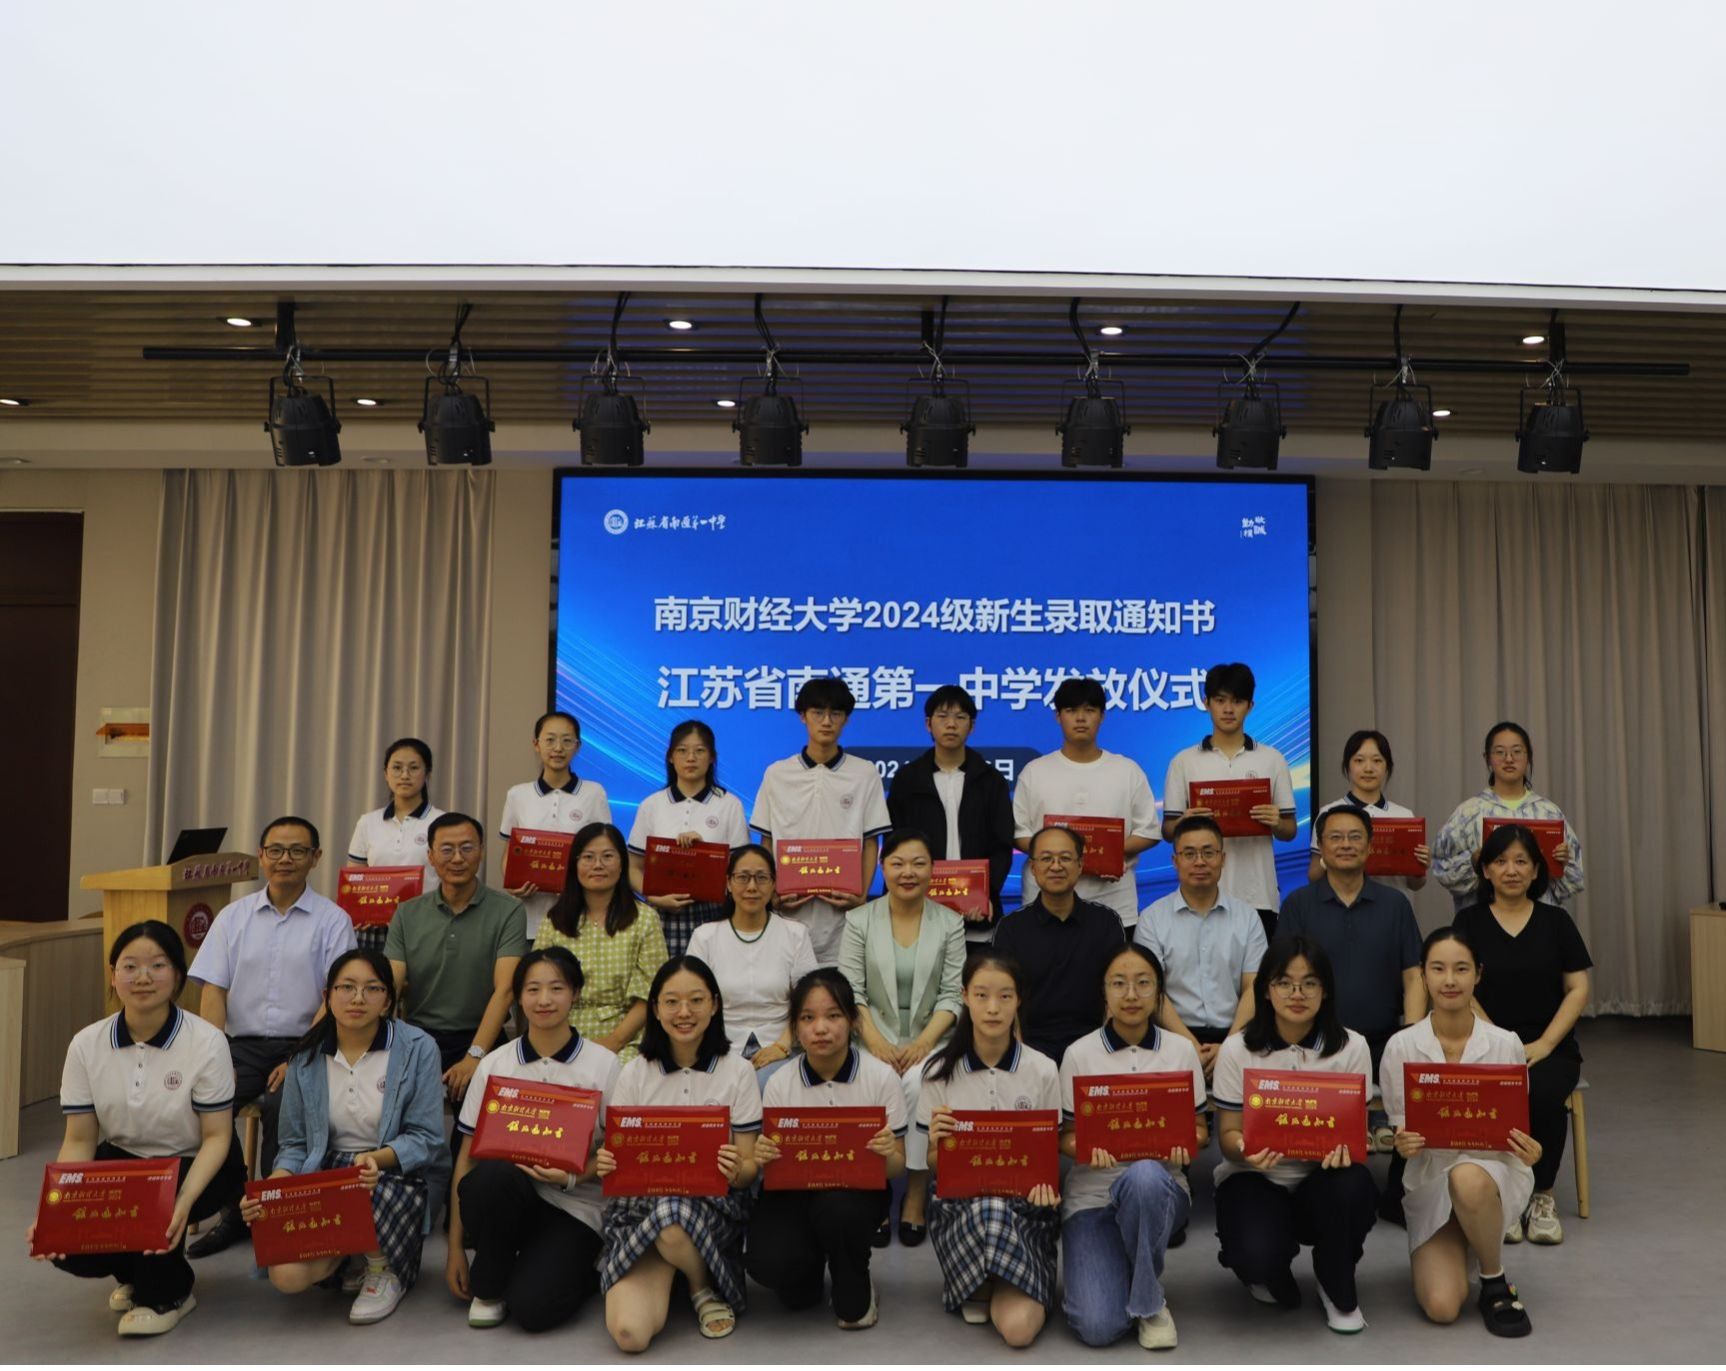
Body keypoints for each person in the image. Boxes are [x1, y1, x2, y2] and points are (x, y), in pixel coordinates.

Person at [30, 922, 241, 1336]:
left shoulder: (206, 1041)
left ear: (178, 975)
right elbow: (79, 1139)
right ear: (113, 975)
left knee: (158, 1211)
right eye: (130, 967)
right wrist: (55, 1209)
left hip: (197, 1162)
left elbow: (217, 1137)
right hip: (126, 1161)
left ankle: (169, 1294)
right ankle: (135, 1273)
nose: (143, 977)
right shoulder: (86, 1044)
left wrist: (183, 1200)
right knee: (66, 1243)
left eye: (157, 966)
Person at [242, 949, 448, 1325]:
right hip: (328, 1172)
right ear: (327, 996)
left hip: (396, 1171)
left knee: (361, 1188)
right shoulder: (305, 1058)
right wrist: (274, 1188)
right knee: (287, 1276)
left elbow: (428, 1138)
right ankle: (355, 1255)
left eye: (372, 989)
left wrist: (376, 1159)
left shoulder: (418, 1048)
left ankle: (382, 1269)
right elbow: (294, 1145)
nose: (358, 998)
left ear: (388, 1000)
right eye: (347, 987)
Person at [186, 815, 357, 1258]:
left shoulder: (333, 920)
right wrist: (214, 1055)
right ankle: (235, 1207)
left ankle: (277, 1213)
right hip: (238, 1047)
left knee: (285, 1107)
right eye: (276, 850)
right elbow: (213, 990)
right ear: (261, 856)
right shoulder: (233, 917)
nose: (286, 859)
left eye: (298, 851)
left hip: (306, 1045)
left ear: (315, 858)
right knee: (205, 1105)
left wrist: (299, 1057)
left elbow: (336, 997)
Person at [1210, 937, 1379, 1333]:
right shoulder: (1237, 1049)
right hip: (1255, 1176)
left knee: (1354, 1184)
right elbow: (1228, 1136)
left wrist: (1349, 1149)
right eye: (1284, 982)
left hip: (1322, 1177)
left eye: (1310, 983)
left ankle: (1334, 1276)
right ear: (1266, 991)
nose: (1297, 994)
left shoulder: (1352, 1046)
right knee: (1256, 1255)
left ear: (1326, 990)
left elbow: (1357, 1135)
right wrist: (1245, 1150)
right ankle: (1267, 1269)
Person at [447, 947, 620, 1333]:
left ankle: (578, 1265)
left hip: (576, 1206)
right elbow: (467, 1159)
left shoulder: (604, 1065)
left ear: (575, 993)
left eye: (556, 988)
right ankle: (490, 1285)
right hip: (510, 1197)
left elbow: (617, 1152)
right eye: (533, 989)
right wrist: (455, 1248)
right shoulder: (495, 1064)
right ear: (519, 998)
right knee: (491, 1177)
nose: (544, 1000)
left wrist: (572, 1176)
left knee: (534, 1310)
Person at [1381, 926, 1543, 1337]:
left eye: (1461, 969)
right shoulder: (1401, 1046)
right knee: (1442, 1307)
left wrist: (1530, 1151)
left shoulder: (1505, 1043)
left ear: (1478, 975)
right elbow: (1403, 1130)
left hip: (1490, 1175)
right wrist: (1403, 1143)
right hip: (1431, 1179)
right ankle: (1465, 1238)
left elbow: (1514, 1127)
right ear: (1423, 975)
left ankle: (1493, 1278)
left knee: (1468, 1176)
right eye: (1438, 969)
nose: (1449, 980)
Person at [595, 956, 762, 1350]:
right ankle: (686, 1271)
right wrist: (607, 1163)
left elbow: (749, 1171)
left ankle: (700, 1286)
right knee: (630, 1335)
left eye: (696, 1000)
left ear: (715, 1005)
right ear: (655, 1009)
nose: (684, 1012)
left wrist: (737, 1169)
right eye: (671, 1002)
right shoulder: (635, 1072)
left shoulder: (737, 1071)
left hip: (712, 1206)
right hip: (641, 1209)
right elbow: (619, 1158)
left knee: (673, 1223)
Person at [1058, 944, 1207, 1351]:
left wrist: (1184, 1143)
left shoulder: (1180, 1051)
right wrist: (1085, 1147)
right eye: (1119, 984)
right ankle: (1127, 1266)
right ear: (1103, 992)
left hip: (1160, 1189)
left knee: (1144, 1175)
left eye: (1143, 983)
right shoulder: (1079, 1054)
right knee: (1098, 1328)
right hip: (1093, 1195)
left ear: (1159, 993)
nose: (1131, 995)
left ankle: (1149, 1302)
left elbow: (1200, 1131)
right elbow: (1065, 1137)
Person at [1453, 824, 1592, 1245]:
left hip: (1548, 1043)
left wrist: (1546, 1044)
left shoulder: (1556, 921)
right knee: (1491, 1093)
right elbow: (1459, 986)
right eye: (1500, 861)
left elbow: (1578, 987)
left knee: (1543, 1091)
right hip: (1483, 1040)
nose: (1511, 870)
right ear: (1486, 870)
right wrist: (1498, 1040)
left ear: (1536, 870)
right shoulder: (1468, 922)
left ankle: (1541, 1194)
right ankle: (1504, 1193)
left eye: (1521, 861)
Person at [750, 969, 910, 1329]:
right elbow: (773, 1168)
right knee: (778, 1274)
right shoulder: (779, 1083)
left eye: (833, 1016)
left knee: (851, 1306)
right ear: (795, 1027)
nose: (820, 1029)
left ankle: (851, 1270)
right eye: (808, 1018)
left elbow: (897, 1166)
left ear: (853, 1021)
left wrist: (888, 1152)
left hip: (854, 1197)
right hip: (794, 1195)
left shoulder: (880, 1077)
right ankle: (812, 1263)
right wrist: (763, 1157)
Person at [917, 951, 1062, 1348]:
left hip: (1025, 1209)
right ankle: (983, 1277)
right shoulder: (937, 1071)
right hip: (961, 1208)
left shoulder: (1043, 1069)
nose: (993, 1008)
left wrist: (1046, 1188)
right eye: (981, 995)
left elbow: (1047, 1155)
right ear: (965, 996)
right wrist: (937, 1144)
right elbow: (934, 1165)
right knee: (987, 1208)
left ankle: (995, 1278)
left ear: (1019, 1000)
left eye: (1005, 996)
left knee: (1019, 1331)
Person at [838, 829, 966, 1246]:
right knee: (874, 1078)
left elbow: (952, 994)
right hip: (869, 1035)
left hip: (931, 1037)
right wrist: (875, 1042)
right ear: (882, 868)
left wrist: (923, 1044)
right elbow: (850, 991)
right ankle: (875, 1189)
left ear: (933, 870)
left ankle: (914, 1190)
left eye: (918, 863)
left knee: (918, 1079)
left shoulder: (950, 922)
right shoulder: (859, 920)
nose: (908, 872)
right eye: (897, 864)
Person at [1279, 805, 1424, 1150]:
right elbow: (1282, 979)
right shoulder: (1298, 904)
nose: (1346, 844)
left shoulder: (1395, 904)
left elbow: (1414, 976)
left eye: (1355, 837)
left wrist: (1410, 1038)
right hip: (1313, 1042)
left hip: (1383, 1042)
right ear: (1321, 847)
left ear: (1370, 846)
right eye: (1336, 837)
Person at [384, 812, 528, 1100]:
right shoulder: (407, 912)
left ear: (482, 852)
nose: (458, 858)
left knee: (485, 1118)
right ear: (431, 856)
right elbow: (390, 986)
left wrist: (475, 1055)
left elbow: (506, 990)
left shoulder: (509, 910)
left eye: (467, 848)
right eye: (447, 849)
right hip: (418, 1037)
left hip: (483, 1037)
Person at [751, 676, 892, 967]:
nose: (826, 721)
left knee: (839, 990)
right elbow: (767, 841)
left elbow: (870, 841)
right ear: (802, 716)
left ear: (846, 719)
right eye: (818, 712)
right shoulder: (777, 773)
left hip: (842, 916)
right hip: (787, 911)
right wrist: (770, 893)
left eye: (835, 713)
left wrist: (861, 896)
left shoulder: (864, 773)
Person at [1012, 676, 1160, 932]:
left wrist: (1105, 854)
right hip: (1044, 903)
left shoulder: (1127, 770)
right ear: (1058, 716)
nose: (1080, 718)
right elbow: (1019, 833)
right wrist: (1061, 856)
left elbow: (1148, 831)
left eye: (1089, 710)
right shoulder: (1035, 772)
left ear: (1102, 716)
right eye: (1071, 710)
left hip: (1114, 902)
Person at [1161, 663, 1298, 937]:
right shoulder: (1184, 761)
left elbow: (1290, 830)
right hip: (1200, 893)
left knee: (1258, 966)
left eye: (1237, 701)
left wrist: (1276, 822)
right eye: (1220, 700)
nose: (1228, 709)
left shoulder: (1272, 759)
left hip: (1259, 894)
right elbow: (1167, 831)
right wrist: (1184, 822)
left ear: (1250, 706)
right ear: (1206, 703)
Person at [1134, 815, 1267, 1077]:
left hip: (1236, 1036)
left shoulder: (1248, 917)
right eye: (1189, 854)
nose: (1200, 862)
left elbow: (1254, 987)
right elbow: (1152, 990)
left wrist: (1229, 1047)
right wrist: (1189, 1046)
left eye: (1208, 853)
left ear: (1223, 859)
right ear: (1175, 861)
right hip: (1171, 1039)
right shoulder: (1152, 919)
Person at [886, 685, 1017, 944]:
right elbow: (895, 844)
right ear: (928, 724)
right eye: (943, 716)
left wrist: (987, 893)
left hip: (976, 910)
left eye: (960, 717)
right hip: (918, 909)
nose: (951, 724)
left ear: (972, 726)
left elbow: (1001, 845)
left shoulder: (991, 781)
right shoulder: (908, 780)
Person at [533, 823, 668, 1063]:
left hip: (627, 1037)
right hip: (561, 1031)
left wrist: (613, 1041)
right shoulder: (554, 920)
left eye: (607, 856)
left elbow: (651, 993)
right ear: (574, 865)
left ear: (622, 864)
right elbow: (537, 986)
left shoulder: (645, 919)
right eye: (588, 857)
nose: (598, 865)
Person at [991, 824, 1126, 1064]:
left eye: (1065, 858)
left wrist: (1105, 1052)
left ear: (1080, 865)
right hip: (1031, 1047)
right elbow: (1004, 996)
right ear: (1033, 868)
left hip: (1094, 1044)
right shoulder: (1011, 927)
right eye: (1046, 859)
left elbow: (1115, 993)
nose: (1056, 866)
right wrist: (1020, 1058)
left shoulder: (1106, 922)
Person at [686, 844, 816, 1075]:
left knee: (770, 1081)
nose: (752, 887)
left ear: (774, 883)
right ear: (728, 883)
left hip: (782, 1048)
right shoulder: (704, 937)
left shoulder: (796, 934)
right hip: (719, 1047)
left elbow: (808, 1002)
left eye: (762, 878)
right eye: (743, 877)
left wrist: (782, 1046)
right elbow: (693, 1001)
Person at [628, 720, 750, 960]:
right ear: (670, 757)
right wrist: (653, 898)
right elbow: (633, 866)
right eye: (682, 750)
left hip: (714, 913)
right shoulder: (652, 804)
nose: (691, 758)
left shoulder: (729, 805)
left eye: (700, 751)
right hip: (661, 913)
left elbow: (741, 868)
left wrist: (705, 853)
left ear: (712, 757)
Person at [1432, 721, 1584, 911]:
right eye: (1500, 752)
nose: (1509, 759)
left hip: (1538, 919)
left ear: (1528, 757)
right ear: (1487, 758)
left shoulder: (1549, 813)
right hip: (1483, 918)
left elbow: (1573, 881)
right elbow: (1440, 866)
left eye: (1517, 751)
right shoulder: (1468, 812)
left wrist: (1562, 863)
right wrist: (1473, 861)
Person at [498, 710, 612, 942]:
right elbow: (510, 850)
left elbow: (604, 848)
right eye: (550, 740)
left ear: (577, 746)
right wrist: (512, 883)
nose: (558, 748)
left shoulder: (594, 793)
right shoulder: (518, 794)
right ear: (536, 744)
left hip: (580, 915)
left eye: (567, 740)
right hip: (530, 916)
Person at [346, 737, 445, 954]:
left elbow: (450, 878)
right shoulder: (368, 822)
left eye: (414, 768)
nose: (405, 775)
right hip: (375, 929)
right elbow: (356, 878)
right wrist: (360, 912)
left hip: (427, 925)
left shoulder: (442, 822)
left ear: (427, 774)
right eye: (397, 768)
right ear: (386, 773)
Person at [1307, 729, 1429, 890]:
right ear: (1347, 765)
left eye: (1377, 761)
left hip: (1392, 904)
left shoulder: (1404, 816)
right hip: (1341, 904)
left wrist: (1420, 867)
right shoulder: (1329, 813)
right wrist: (1333, 855)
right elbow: (1313, 876)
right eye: (1359, 760)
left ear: (1387, 766)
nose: (1368, 768)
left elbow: (1415, 885)